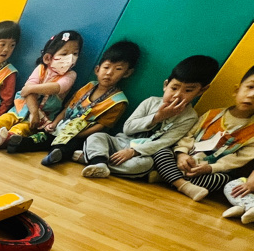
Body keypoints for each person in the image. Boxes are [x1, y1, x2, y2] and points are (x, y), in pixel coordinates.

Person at [80, 55, 219, 179]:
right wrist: (157, 117)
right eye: (174, 88)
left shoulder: (189, 117)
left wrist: (133, 152)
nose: (177, 95)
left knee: (143, 166)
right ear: (166, 85)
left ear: (201, 91)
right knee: (97, 137)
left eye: (188, 90)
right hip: (121, 143)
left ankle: (96, 159)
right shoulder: (151, 102)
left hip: (143, 154)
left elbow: (164, 143)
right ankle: (99, 162)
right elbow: (128, 128)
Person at [7, 40, 139, 167]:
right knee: (43, 136)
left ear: (127, 73)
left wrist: (77, 135)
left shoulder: (118, 101)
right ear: (97, 69)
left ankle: (56, 154)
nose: (109, 73)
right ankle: (20, 143)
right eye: (106, 67)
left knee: (70, 144)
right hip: (63, 127)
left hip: (81, 135)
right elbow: (67, 108)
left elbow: (101, 126)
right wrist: (54, 123)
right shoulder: (88, 87)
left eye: (118, 69)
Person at [151, 65, 254, 201]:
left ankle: (167, 176)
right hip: (184, 161)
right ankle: (182, 184)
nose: (252, 95)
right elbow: (188, 135)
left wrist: (210, 168)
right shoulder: (212, 114)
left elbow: (237, 160)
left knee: (222, 180)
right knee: (162, 152)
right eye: (250, 87)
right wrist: (181, 154)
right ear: (236, 90)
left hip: (207, 170)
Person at [0, 30, 82, 148]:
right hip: (21, 108)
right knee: (5, 119)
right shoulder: (41, 69)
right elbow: (28, 93)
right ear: (48, 57)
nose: (71, 58)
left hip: (42, 117)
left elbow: (57, 87)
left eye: (75, 54)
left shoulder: (71, 75)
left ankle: (5, 140)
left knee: (22, 128)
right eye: (64, 54)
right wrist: (34, 111)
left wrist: (31, 89)